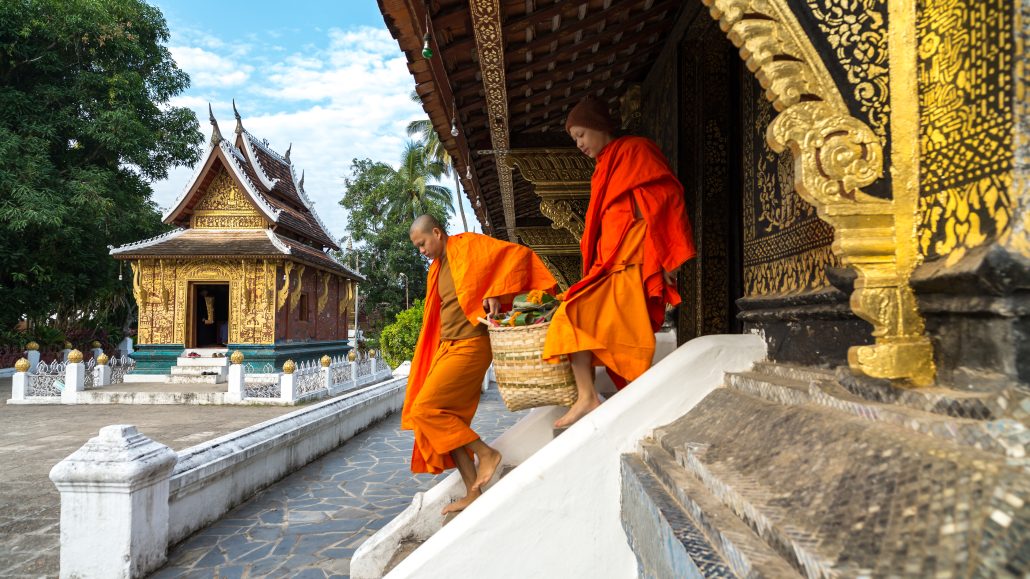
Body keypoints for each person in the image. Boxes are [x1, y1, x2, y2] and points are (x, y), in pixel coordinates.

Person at [543, 95, 696, 428]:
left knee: (611, 328)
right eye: (575, 139)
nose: (580, 144)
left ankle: (633, 401)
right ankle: (588, 397)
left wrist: (667, 257)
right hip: (607, 265)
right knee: (572, 317)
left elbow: (665, 201)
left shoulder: (636, 151)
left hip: (633, 261)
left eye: (581, 134)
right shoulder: (603, 167)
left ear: (599, 126)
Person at [403, 214, 556, 514]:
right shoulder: (436, 269)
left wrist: (496, 291)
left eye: (422, 243)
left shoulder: (468, 246)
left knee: (425, 410)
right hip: (448, 347)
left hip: (472, 346)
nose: (421, 251)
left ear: (436, 233)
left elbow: (516, 256)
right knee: (448, 421)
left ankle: (486, 454)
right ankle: (474, 491)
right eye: (417, 247)